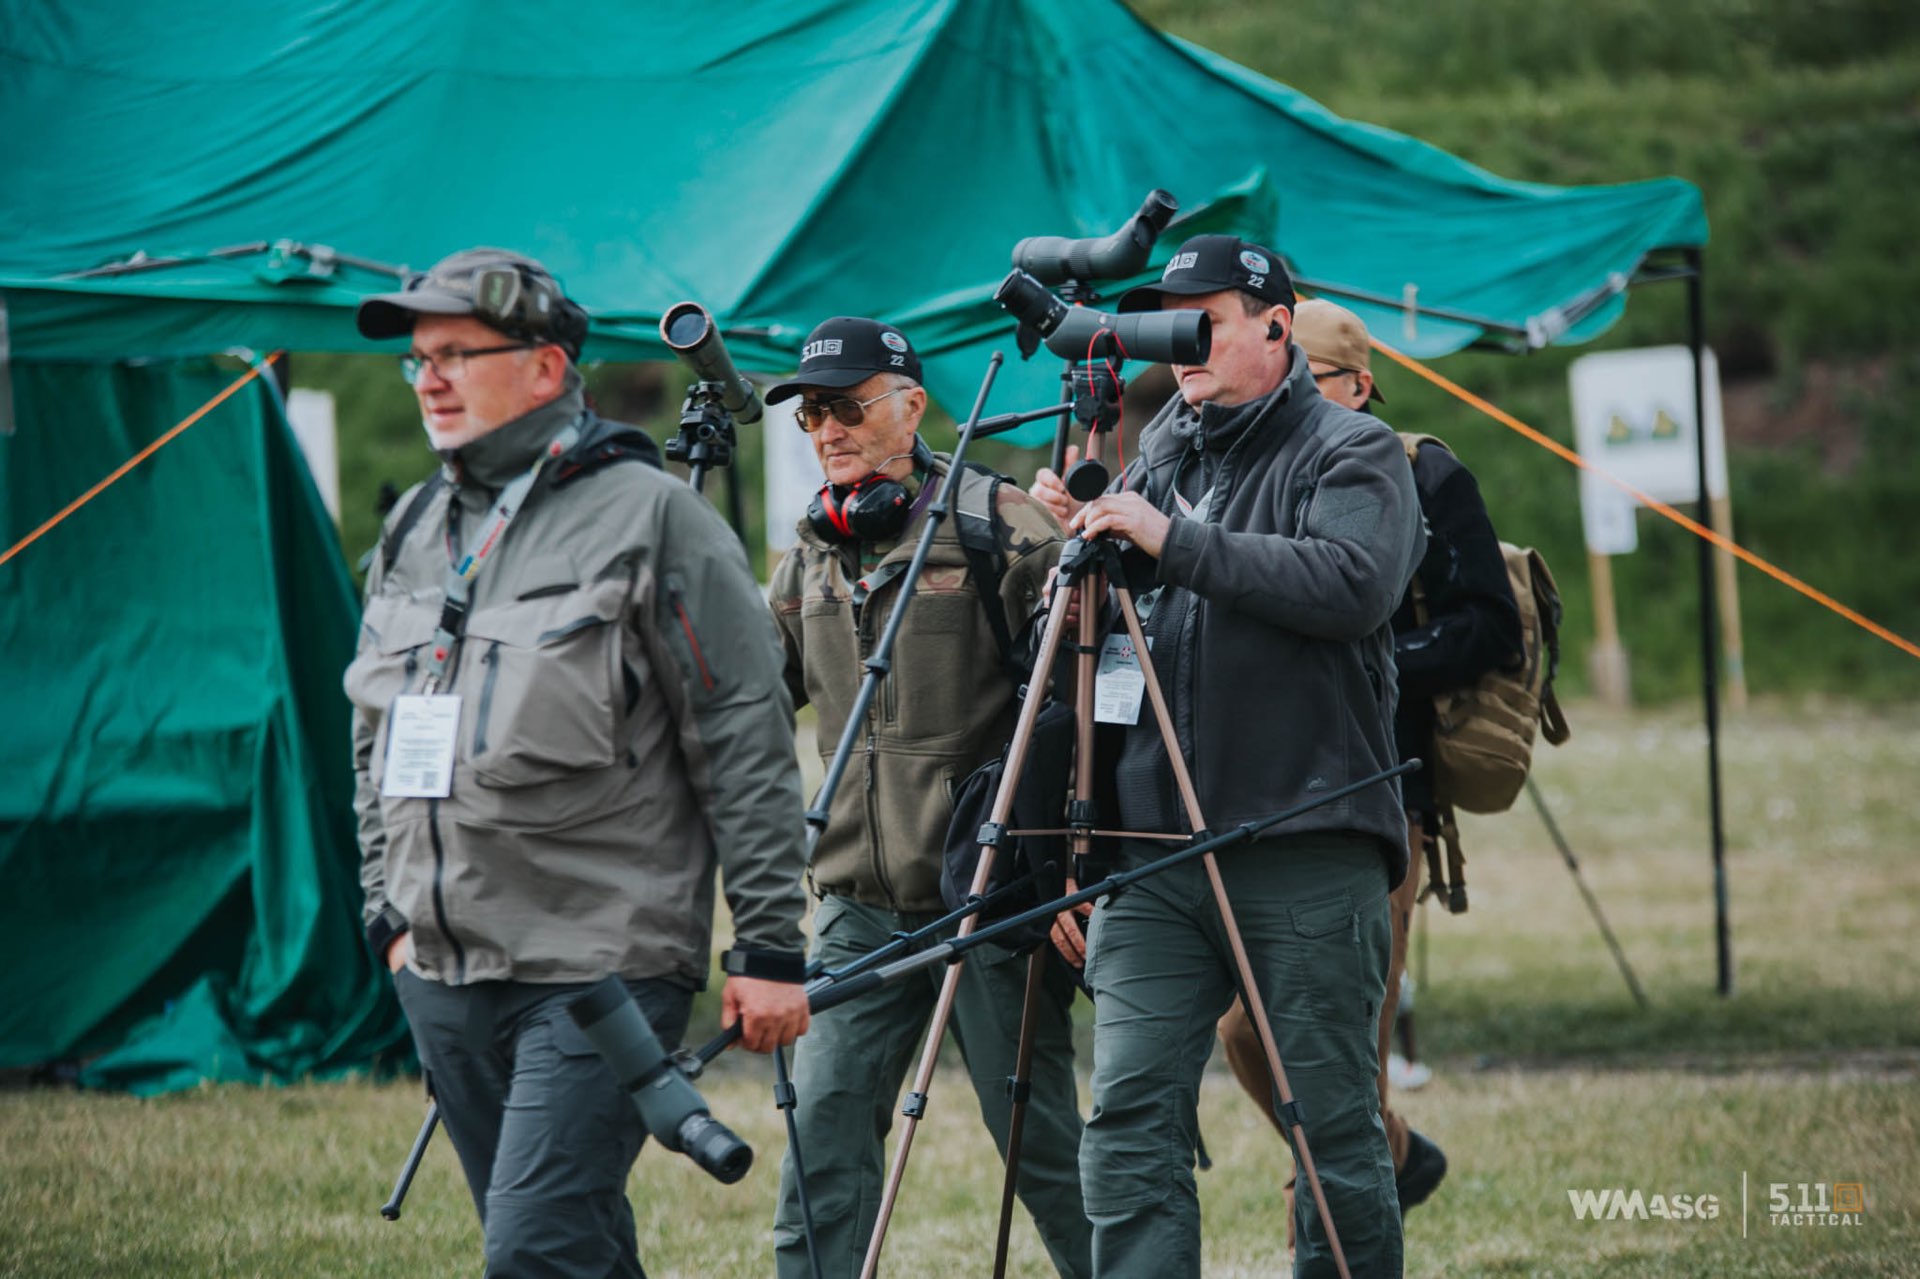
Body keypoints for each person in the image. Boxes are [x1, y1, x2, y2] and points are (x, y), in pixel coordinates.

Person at [345, 247, 811, 1278]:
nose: (428, 377)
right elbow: (375, 731)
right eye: (417, 359)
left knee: (536, 1250)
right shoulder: (417, 525)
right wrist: (389, 914)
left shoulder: (653, 518)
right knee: (577, 1249)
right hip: (444, 968)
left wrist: (772, 946)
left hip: (600, 966)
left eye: (457, 352)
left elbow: (744, 737)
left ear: (547, 367)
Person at [1029, 237, 1424, 1278]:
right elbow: (1105, 660)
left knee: (1330, 1127)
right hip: (1152, 853)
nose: (1176, 342)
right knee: (1124, 1118)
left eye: (1199, 318)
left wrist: (1170, 540)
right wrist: (1079, 566)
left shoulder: (1352, 451)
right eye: (1164, 319)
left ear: (1275, 328)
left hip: (1305, 836)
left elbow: (1351, 585)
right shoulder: (1157, 453)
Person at [764, 317, 1093, 1279]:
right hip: (859, 911)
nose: (829, 428)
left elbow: (1092, 701)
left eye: (850, 405)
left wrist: (1074, 864)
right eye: (813, 413)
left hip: (988, 894)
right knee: (820, 1144)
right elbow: (736, 710)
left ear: (912, 404)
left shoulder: (1001, 527)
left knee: (1042, 1149)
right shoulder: (806, 561)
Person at [1213, 298, 1522, 1233]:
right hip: (1259, 799)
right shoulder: (1237, 464)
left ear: (1358, 386)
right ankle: (1384, 1152)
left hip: (1373, 800)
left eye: (1313, 377)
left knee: (1338, 1052)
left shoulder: (1421, 472)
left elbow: (1487, 627)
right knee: (1242, 1032)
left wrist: (1367, 666)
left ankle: (1333, 1218)